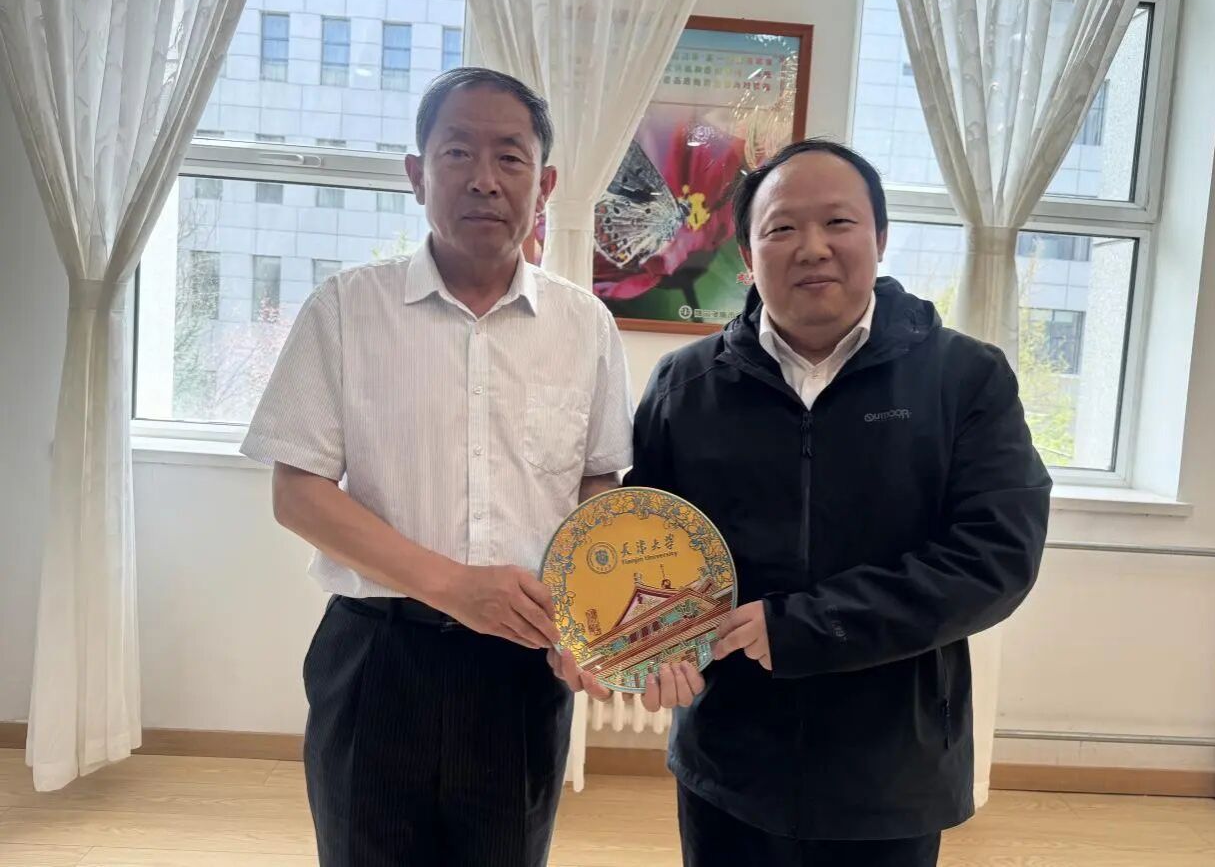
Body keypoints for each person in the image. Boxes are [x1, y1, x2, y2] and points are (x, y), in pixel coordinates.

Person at [240, 67, 632, 867]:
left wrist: (586, 620)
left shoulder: (585, 325)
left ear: (545, 185)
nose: (484, 179)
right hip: (378, 657)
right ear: (417, 174)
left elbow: (597, 485)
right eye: (457, 152)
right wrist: (454, 585)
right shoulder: (348, 308)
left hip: (522, 665)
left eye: (510, 157)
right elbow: (298, 492)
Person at [627, 138, 1052, 866]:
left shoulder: (964, 379)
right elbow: (648, 544)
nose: (813, 247)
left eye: (839, 222)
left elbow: (995, 559)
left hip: (893, 768)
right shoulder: (684, 387)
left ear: (880, 238)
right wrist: (646, 649)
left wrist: (801, 628)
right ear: (747, 255)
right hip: (731, 762)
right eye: (782, 228)